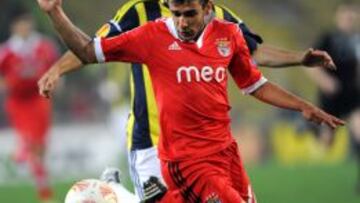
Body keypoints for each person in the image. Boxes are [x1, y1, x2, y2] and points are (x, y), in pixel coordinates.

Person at [37, 0, 345, 202]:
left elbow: (253, 71)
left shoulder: (226, 26)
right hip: (162, 144)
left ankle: (124, 197)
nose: (182, 22)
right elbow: (90, 49)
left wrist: (302, 79)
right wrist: (56, 52)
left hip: (223, 150)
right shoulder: (143, 21)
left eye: (189, 14)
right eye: (176, 13)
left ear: (207, 7)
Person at [0, 12, 59, 202]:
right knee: (30, 141)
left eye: (26, 24)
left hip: (39, 99)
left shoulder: (44, 46)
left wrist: (55, 82)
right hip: (18, 102)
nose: (24, 28)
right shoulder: (7, 51)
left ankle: (41, 182)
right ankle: (23, 150)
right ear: (14, 28)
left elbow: (56, 68)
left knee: (40, 146)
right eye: (20, 25)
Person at [306, 2, 360, 193]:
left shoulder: (357, 39)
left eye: (352, 16)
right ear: (338, 16)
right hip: (331, 99)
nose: (349, 19)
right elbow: (310, 65)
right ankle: (312, 130)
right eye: (346, 15)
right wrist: (325, 81)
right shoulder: (328, 38)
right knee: (327, 145)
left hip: (353, 97)